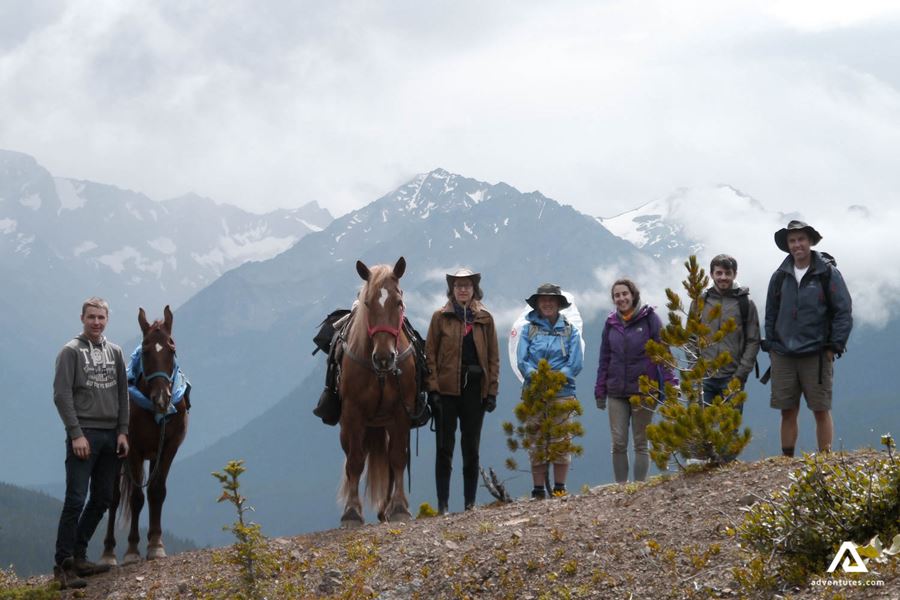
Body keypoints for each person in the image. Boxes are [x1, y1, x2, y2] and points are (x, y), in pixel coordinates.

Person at [52, 297, 129, 589]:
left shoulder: (116, 352)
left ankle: (80, 556)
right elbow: (62, 395)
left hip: (112, 436)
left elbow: (123, 393)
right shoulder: (70, 352)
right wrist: (75, 433)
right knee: (75, 499)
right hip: (85, 434)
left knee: (103, 499)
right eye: (91, 317)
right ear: (82, 318)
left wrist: (123, 431)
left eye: (101, 317)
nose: (96, 322)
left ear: (107, 319)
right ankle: (63, 565)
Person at [763, 220, 852, 457]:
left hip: (817, 353)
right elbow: (771, 312)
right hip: (783, 354)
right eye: (792, 241)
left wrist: (834, 346)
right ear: (787, 245)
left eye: (801, 239)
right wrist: (771, 345)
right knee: (787, 409)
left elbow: (843, 311)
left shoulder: (827, 274)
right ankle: (787, 460)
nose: (797, 244)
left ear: (810, 241)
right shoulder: (780, 276)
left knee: (820, 409)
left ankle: (825, 460)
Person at [425, 269, 499, 514]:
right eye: (458, 286)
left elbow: (493, 358)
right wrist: (433, 389)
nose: (463, 289)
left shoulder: (485, 319)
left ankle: (470, 504)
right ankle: (443, 505)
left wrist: (492, 392)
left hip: (475, 391)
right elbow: (430, 355)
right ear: (452, 290)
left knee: (471, 448)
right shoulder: (440, 317)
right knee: (444, 449)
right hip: (446, 392)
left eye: (467, 285)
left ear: (474, 289)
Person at [594, 279, 672, 483]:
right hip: (616, 391)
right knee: (618, 443)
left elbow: (663, 354)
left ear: (633, 294)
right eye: (617, 295)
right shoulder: (610, 323)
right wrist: (600, 390)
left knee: (640, 442)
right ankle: (621, 488)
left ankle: (639, 488)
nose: (621, 298)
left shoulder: (650, 319)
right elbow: (604, 358)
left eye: (624, 294)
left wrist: (671, 384)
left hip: (644, 390)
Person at [516, 283, 584, 499]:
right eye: (543, 300)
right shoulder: (528, 329)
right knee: (536, 440)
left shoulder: (570, 331)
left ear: (558, 304)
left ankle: (559, 488)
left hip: (562, 393)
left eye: (551, 299)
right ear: (537, 304)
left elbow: (575, 363)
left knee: (561, 440)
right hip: (534, 393)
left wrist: (553, 379)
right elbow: (522, 360)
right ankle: (537, 489)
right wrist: (536, 375)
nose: (547, 303)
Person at [693, 254, 761, 408]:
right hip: (704, 377)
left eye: (727, 273)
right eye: (719, 273)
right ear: (711, 274)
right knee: (698, 430)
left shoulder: (745, 303)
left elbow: (753, 340)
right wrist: (696, 368)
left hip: (732, 377)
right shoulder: (700, 302)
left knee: (729, 431)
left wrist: (740, 374)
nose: (723, 277)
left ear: (734, 274)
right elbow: (691, 336)